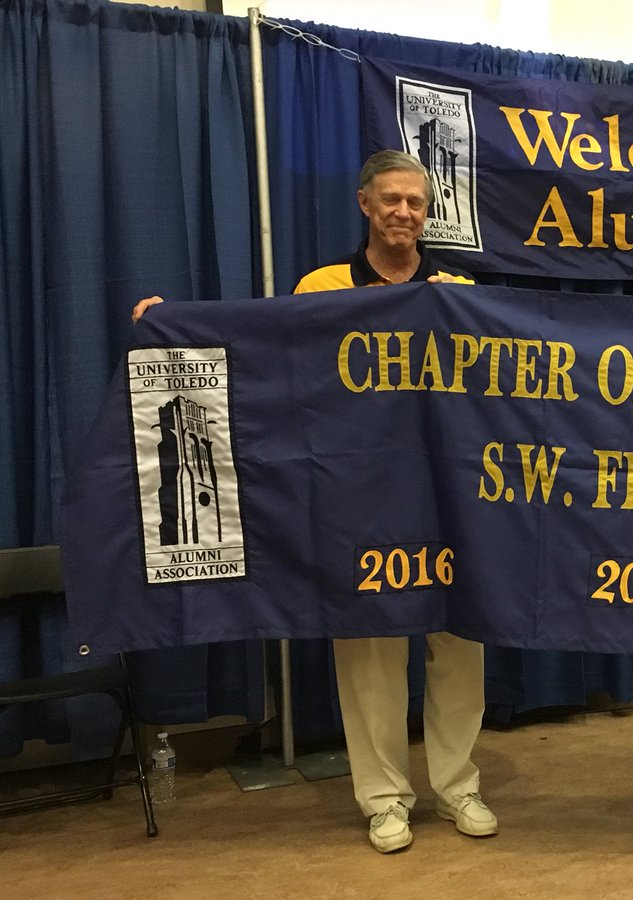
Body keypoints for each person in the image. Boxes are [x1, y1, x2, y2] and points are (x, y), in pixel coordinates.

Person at [132, 150, 498, 854]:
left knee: (460, 645)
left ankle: (460, 786)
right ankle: (385, 799)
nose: (404, 213)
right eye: (391, 200)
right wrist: (169, 324)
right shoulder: (323, 286)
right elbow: (268, 355)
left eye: (416, 203)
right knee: (370, 654)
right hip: (360, 498)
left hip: (448, 498)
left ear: (429, 210)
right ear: (365, 204)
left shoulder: (459, 289)